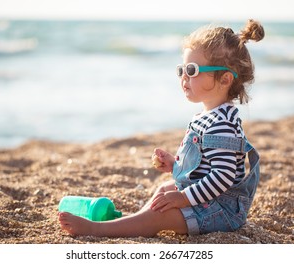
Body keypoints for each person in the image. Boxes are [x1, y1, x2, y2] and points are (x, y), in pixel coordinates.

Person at [58, 19, 265, 237]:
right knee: (165, 190)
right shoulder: (207, 116)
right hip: (207, 200)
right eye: (182, 69)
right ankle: (131, 222)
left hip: (221, 210)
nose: (184, 76)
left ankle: (96, 229)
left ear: (224, 79)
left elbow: (222, 176)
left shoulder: (222, 124)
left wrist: (183, 199)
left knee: (161, 214)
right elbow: (201, 167)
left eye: (192, 70)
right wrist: (175, 166)